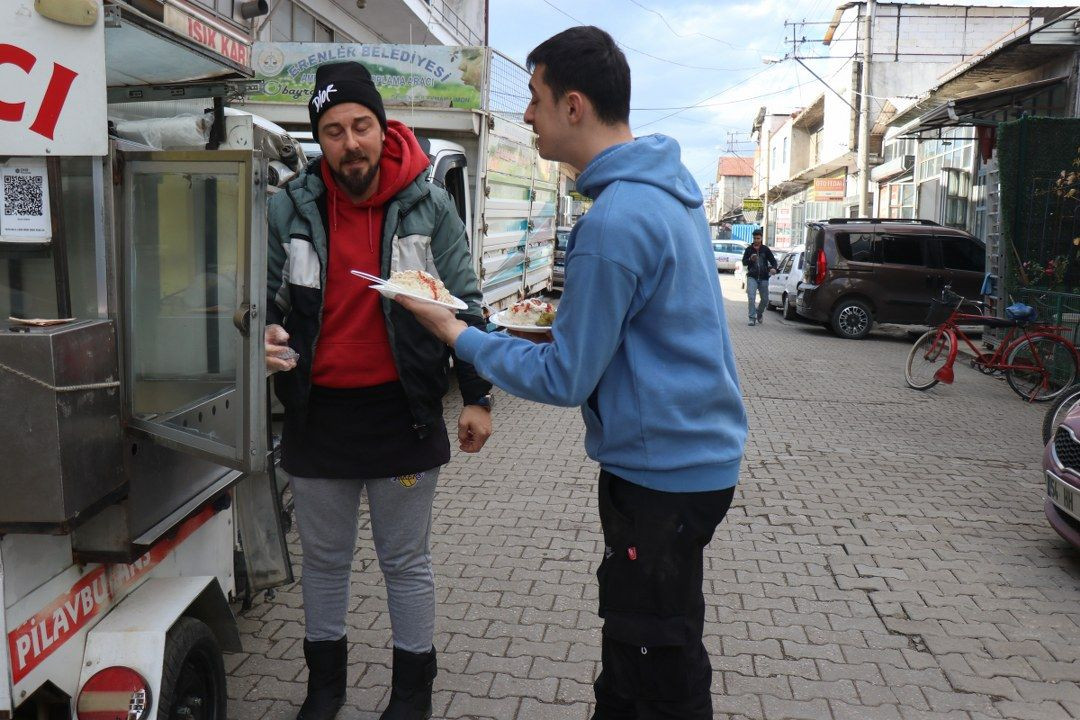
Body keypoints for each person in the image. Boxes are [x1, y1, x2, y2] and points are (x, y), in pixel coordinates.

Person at [395, 26, 747, 720]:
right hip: (689, 462)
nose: (525, 114)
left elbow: (565, 378)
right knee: (655, 647)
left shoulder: (615, 220)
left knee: (654, 666)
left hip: (659, 476)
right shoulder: (667, 195)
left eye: (533, 98)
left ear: (574, 105)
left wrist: (456, 333)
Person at [263, 60, 495, 720]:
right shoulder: (290, 208)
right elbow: (267, 296)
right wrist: (269, 337)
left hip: (403, 420)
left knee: (405, 563)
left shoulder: (429, 203)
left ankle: (412, 695)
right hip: (318, 420)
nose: (350, 142)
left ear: (382, 125)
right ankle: (324, 691)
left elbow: (467, 301)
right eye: (333, 131)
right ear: (320, 138)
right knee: (325, 565)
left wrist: (477, 396)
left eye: (361, 125)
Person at [741, 228, 777, 326]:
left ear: (761, 238)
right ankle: (752, 318)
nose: (756, 240)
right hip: (752, 277)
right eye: (754, 238)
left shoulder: (765, 249)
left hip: (764, 277)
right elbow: (744, 262)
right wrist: (750, 259)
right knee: (751, 297)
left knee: (765, 299)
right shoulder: (749, 249)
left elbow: (773, 261)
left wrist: (773, 268)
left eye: (758, 238)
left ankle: (759, 313)